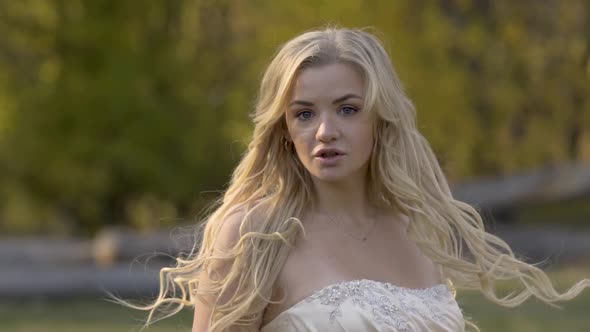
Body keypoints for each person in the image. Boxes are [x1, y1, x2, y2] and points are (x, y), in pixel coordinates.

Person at [120, 27, 590, 332]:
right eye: (304, 114)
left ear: (380, 119)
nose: (325, 131)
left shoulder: (413, 227)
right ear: (284, 129)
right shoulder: (256, 234)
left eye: (347, 109)